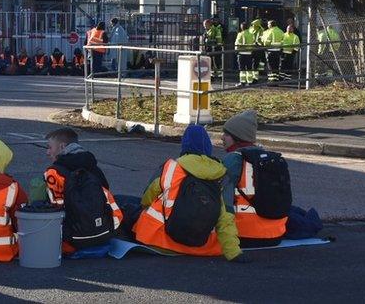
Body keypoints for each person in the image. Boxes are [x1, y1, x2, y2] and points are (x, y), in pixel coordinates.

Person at [131, 125, 243, 261]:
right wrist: (233, 253)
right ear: (208, 147)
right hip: (203, 247)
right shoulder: (222, 174)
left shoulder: (172, 167)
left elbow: (147, 197)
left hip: (158, 240)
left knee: (129, 206)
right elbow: (226, 218)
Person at [44, 128, 124, 252]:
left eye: (49, 147)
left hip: (73, 238)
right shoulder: (92, 166)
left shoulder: (54, 172)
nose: (47, 152)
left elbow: (55, 208)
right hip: (103, 233)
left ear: (62, 146)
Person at [221, 111, 289, 247]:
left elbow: (223, 199)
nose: (222, 138)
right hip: (276, 235)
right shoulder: (270, 158)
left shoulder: (233, 159)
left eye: (227, 134)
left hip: (243, 236)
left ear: (238, 138)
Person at [234, 22, 257, 86]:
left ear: (242, 27)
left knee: (242, 69)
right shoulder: (251, 34)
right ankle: (250, 81)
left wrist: (236, 51)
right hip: (249, 53)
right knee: (249, 68)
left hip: (241, 53)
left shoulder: (240, 34)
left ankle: (242, 82)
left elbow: (237, 44)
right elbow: (253, 43)